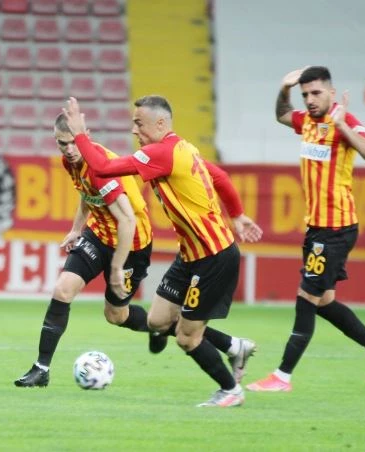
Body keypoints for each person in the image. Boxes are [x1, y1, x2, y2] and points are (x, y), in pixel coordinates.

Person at [62, 95, 263, 407]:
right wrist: (236, 214)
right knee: (156, 321)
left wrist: (79, 135)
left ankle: (230, 390)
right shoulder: (184, 149)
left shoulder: (163, 153)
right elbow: (220, 177)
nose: (134, 130)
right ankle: (234, 347)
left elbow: (102, 167)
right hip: (190, 256)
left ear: (160, 124)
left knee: (187, 338)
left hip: (213, 257)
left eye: (139, 123)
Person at [247, 66, 365, 392]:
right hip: (317, 228)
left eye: (316, 93)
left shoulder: (345, 121)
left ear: (331, 92)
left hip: (336, 227)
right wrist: (284, 89)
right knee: (324, 301)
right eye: (305, 95)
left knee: (306, 297)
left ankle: (282, 377)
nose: (310, 100)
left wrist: (343, 126)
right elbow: (282, 115)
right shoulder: (307, 121)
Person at [14, 114, 154, 387]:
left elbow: (128, 221)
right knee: (62, 290)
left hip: (131, 244)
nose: (68, 149)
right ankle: (41, 369)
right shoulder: (70, 162)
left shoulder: (101, 168)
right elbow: (86, 193)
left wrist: (117, 267)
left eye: (72, 142)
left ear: (85, 136)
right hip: (98, 233)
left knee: (116, 316)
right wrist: (76, 229)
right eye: (61, 143)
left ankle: (160, 325)